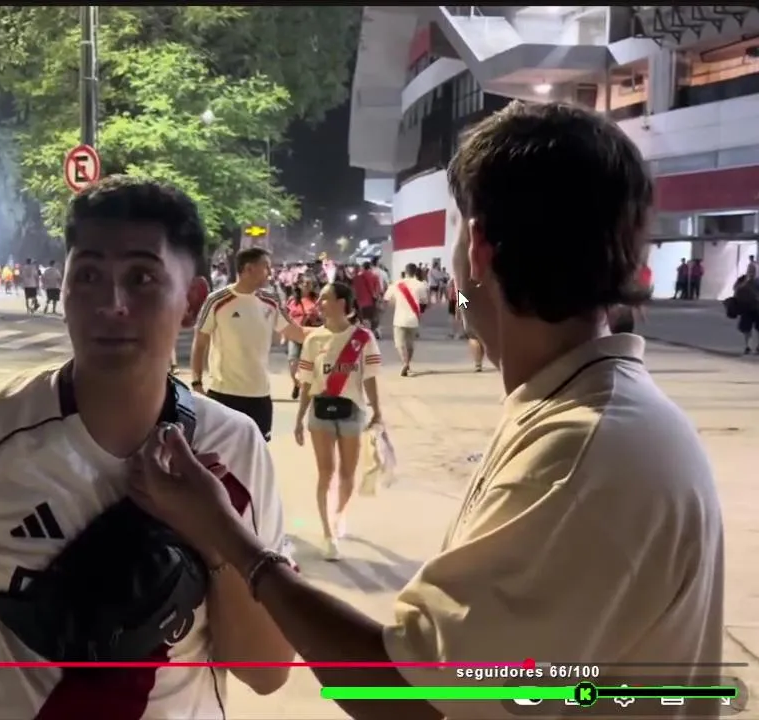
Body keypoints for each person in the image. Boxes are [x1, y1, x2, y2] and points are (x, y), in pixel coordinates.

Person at [126, 101, 723, 720]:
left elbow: (409, 697)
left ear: (479, 248)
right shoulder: (584, 412)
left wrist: (226, 534)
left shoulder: (581, 452)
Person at [0, 176, 295, 719]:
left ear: (191, 299)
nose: (112, 303)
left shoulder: (233, 446)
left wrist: (216, 540)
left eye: (142, 277)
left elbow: (266, 670)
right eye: (89, 275)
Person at [294, 282, 382, 561]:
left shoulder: (363, 338)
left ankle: (339, 514)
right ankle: (328, 534)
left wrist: (378, 411)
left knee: (347, 474)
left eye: (325, 298)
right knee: (326, 473)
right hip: (320, 412)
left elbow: (369, 377)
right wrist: (299, 418)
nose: (319, 303)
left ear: (342, 303)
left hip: (352, 412)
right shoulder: (313, 340)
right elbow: (306, 383)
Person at [190, 247, 310, 441]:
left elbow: (297, 333)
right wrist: (197, 383)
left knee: (257, 453)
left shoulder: (271, 301)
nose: (270, 272)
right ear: (248, 269)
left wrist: (333, 332)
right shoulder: (217, 301)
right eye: (266, 267)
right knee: (223, 454)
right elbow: (200, 342)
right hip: (224, 394)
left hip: (259, 395)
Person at [381, 263, 428, 377]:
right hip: (413, 318)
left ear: (405, 272)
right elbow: (424, 302)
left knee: (399, 344)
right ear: (415, 272)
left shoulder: (396, 284)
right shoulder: (420, 285)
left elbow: (386, 298)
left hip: (399, 318)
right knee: (410, 345)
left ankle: (405, 363)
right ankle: (408, 364)